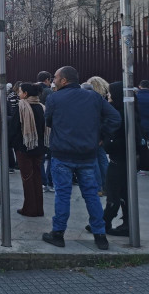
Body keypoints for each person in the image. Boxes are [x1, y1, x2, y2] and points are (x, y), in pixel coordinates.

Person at [42, 66, 121, 251]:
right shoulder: (93, 97)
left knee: (62, 194)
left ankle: (58, 233)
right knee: (91, 195)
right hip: (87, 154)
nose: (53, 80)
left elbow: (48, 121)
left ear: (64, 80)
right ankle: (100, 235)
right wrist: (101, 135)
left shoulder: (54, 98)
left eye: (55, 78)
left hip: (62, 153)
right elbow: (114, 118)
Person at [96, 81, 142, 237]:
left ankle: (104, 222)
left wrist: (107, 142)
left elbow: (119, 138)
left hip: (120, 159)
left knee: (114, 192)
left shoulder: (120, 114)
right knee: (123, 192)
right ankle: (125, 224)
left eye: (110, 93)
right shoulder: (130, 111)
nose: (108, 96)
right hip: (125, 159)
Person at [8, 83, 47, 217]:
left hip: (24, 147)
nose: (19, 94)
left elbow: (13, 129)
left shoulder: (22, 107)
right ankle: (38, 208)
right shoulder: (42, 107)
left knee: (27, 178)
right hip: (40, 147)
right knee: (37, 177)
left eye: (20, 92)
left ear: (25, 94)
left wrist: (11, 144)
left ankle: (29, 208)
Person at [85, 76, 111, 196]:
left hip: (93, 135)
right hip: (101, 135)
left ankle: (98, 187)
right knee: (103, 160)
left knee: (94, 161)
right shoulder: (105, 99)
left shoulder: (91, 100)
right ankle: (107, 187)